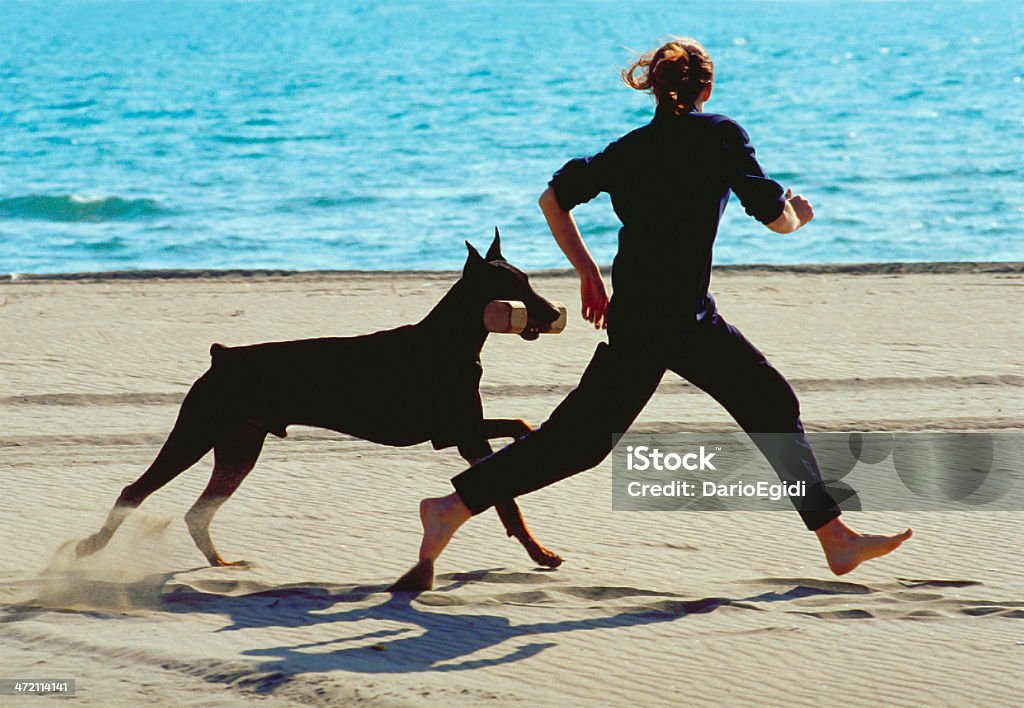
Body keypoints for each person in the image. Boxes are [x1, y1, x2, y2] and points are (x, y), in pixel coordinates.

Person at [393, 38, 911, 591]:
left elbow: (552, 199)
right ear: (705, 89)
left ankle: (452, 506)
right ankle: (834, 538)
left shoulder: (629, 149)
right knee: (768, 404)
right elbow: (773, 216)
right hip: (684, 322)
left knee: (581, 442)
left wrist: (588, 274)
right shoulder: (721, 134)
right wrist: (799, 217)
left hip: (640, 320)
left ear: (656, 91)